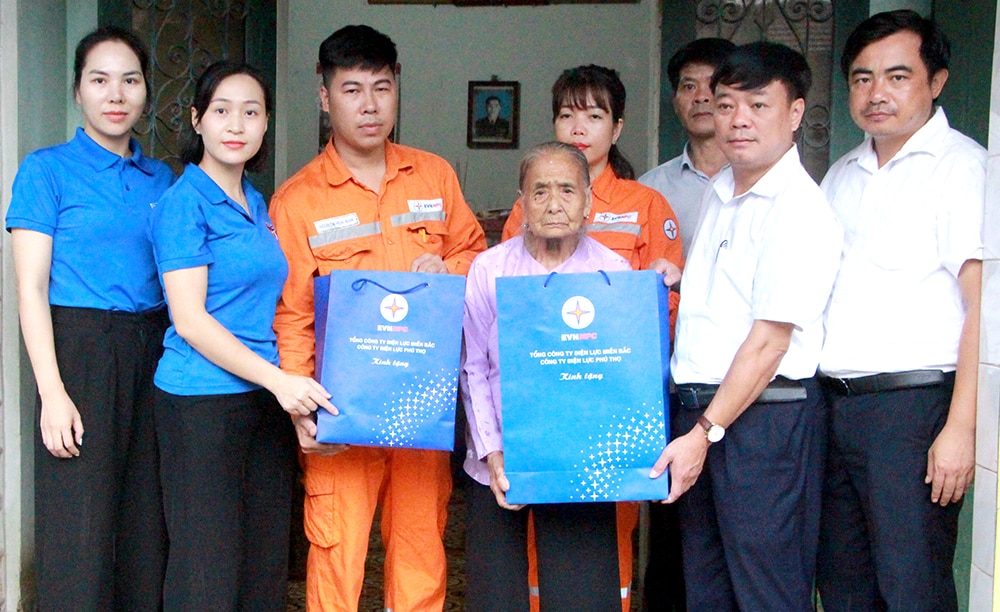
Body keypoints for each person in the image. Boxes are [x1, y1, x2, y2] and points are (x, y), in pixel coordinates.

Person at [270, 25, 487, 611]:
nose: (369, 105)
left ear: (397, 91)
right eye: (352, 90)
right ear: (324, 97)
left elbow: (475, 256)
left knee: (421, 551)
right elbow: (291, 313)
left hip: (423, 405)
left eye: (382, 88)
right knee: (336, 556)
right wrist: (299, 408)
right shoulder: (298, 199)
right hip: (342, 409)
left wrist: (449, 265)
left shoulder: (434, 176)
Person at [649, 42, 842, 610]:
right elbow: (733, 303)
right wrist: (678, 281)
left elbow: (768, 345)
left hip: (761, 423)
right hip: (704, 414)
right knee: (707, 589)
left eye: (758, 105)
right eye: (727, 104)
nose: (738, 120)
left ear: (796, 113)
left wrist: (704, 432)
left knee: (765, 589)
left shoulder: (796, 209)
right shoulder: (723, 191)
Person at [815, 11, 984, 611]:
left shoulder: (966, 169)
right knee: (843, 588)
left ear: (935, 82)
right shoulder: (841, 173)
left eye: (896, 76)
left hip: (913, 414)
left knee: (913, 587)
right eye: (862, 79)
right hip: (835, 407)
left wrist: (960, 428)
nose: (876, 94)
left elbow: (981, 306)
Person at [149, 61, 330, 610]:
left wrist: (285, 391)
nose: (237, 124)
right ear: (197, 120)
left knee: (263, 563)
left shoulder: (258, 203)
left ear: (266, 124)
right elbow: (190, 320)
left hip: (261, 400)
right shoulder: (184, 203)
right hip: (199, 404)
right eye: (222, 111)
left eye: (251, 112)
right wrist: (282, 382)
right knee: (206, 566)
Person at [500, 65, 683, 609]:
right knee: (539, 528)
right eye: (566, 113)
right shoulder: (527, 205)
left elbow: (663, 311)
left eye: (595, 114)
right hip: (540, 398)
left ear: (618, 127)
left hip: (614, 402)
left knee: (613, 525)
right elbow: (509, 302)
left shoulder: (647, 205)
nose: (579, 126)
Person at [6, 26, 173, 611]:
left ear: (146, 91)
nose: (116, 94)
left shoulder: (164, 181)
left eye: (130, 80)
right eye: (99, 80)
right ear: (78, 91)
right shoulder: (45, 170)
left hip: (155, 350)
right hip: (78, 350)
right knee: (78, 526)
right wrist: (52, 392)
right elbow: (29, 288)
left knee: (144, 524)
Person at [462, 141, 632, 611]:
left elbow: (620, 375)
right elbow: (473, 367)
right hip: (499, 463)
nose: (554, 204)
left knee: (581, 597)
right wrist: (493, 452)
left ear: (588, 201)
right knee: (497, 596)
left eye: (566, 190)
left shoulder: (613, 272)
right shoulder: (489, 269)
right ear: (521, 201)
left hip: (582, 464)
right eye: (539, 192)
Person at [639, 37, 735, 260]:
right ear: (675, 102)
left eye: (712, 86)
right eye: (689, 86)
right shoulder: (650, 189)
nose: (701, 97)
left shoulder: (757, 181)